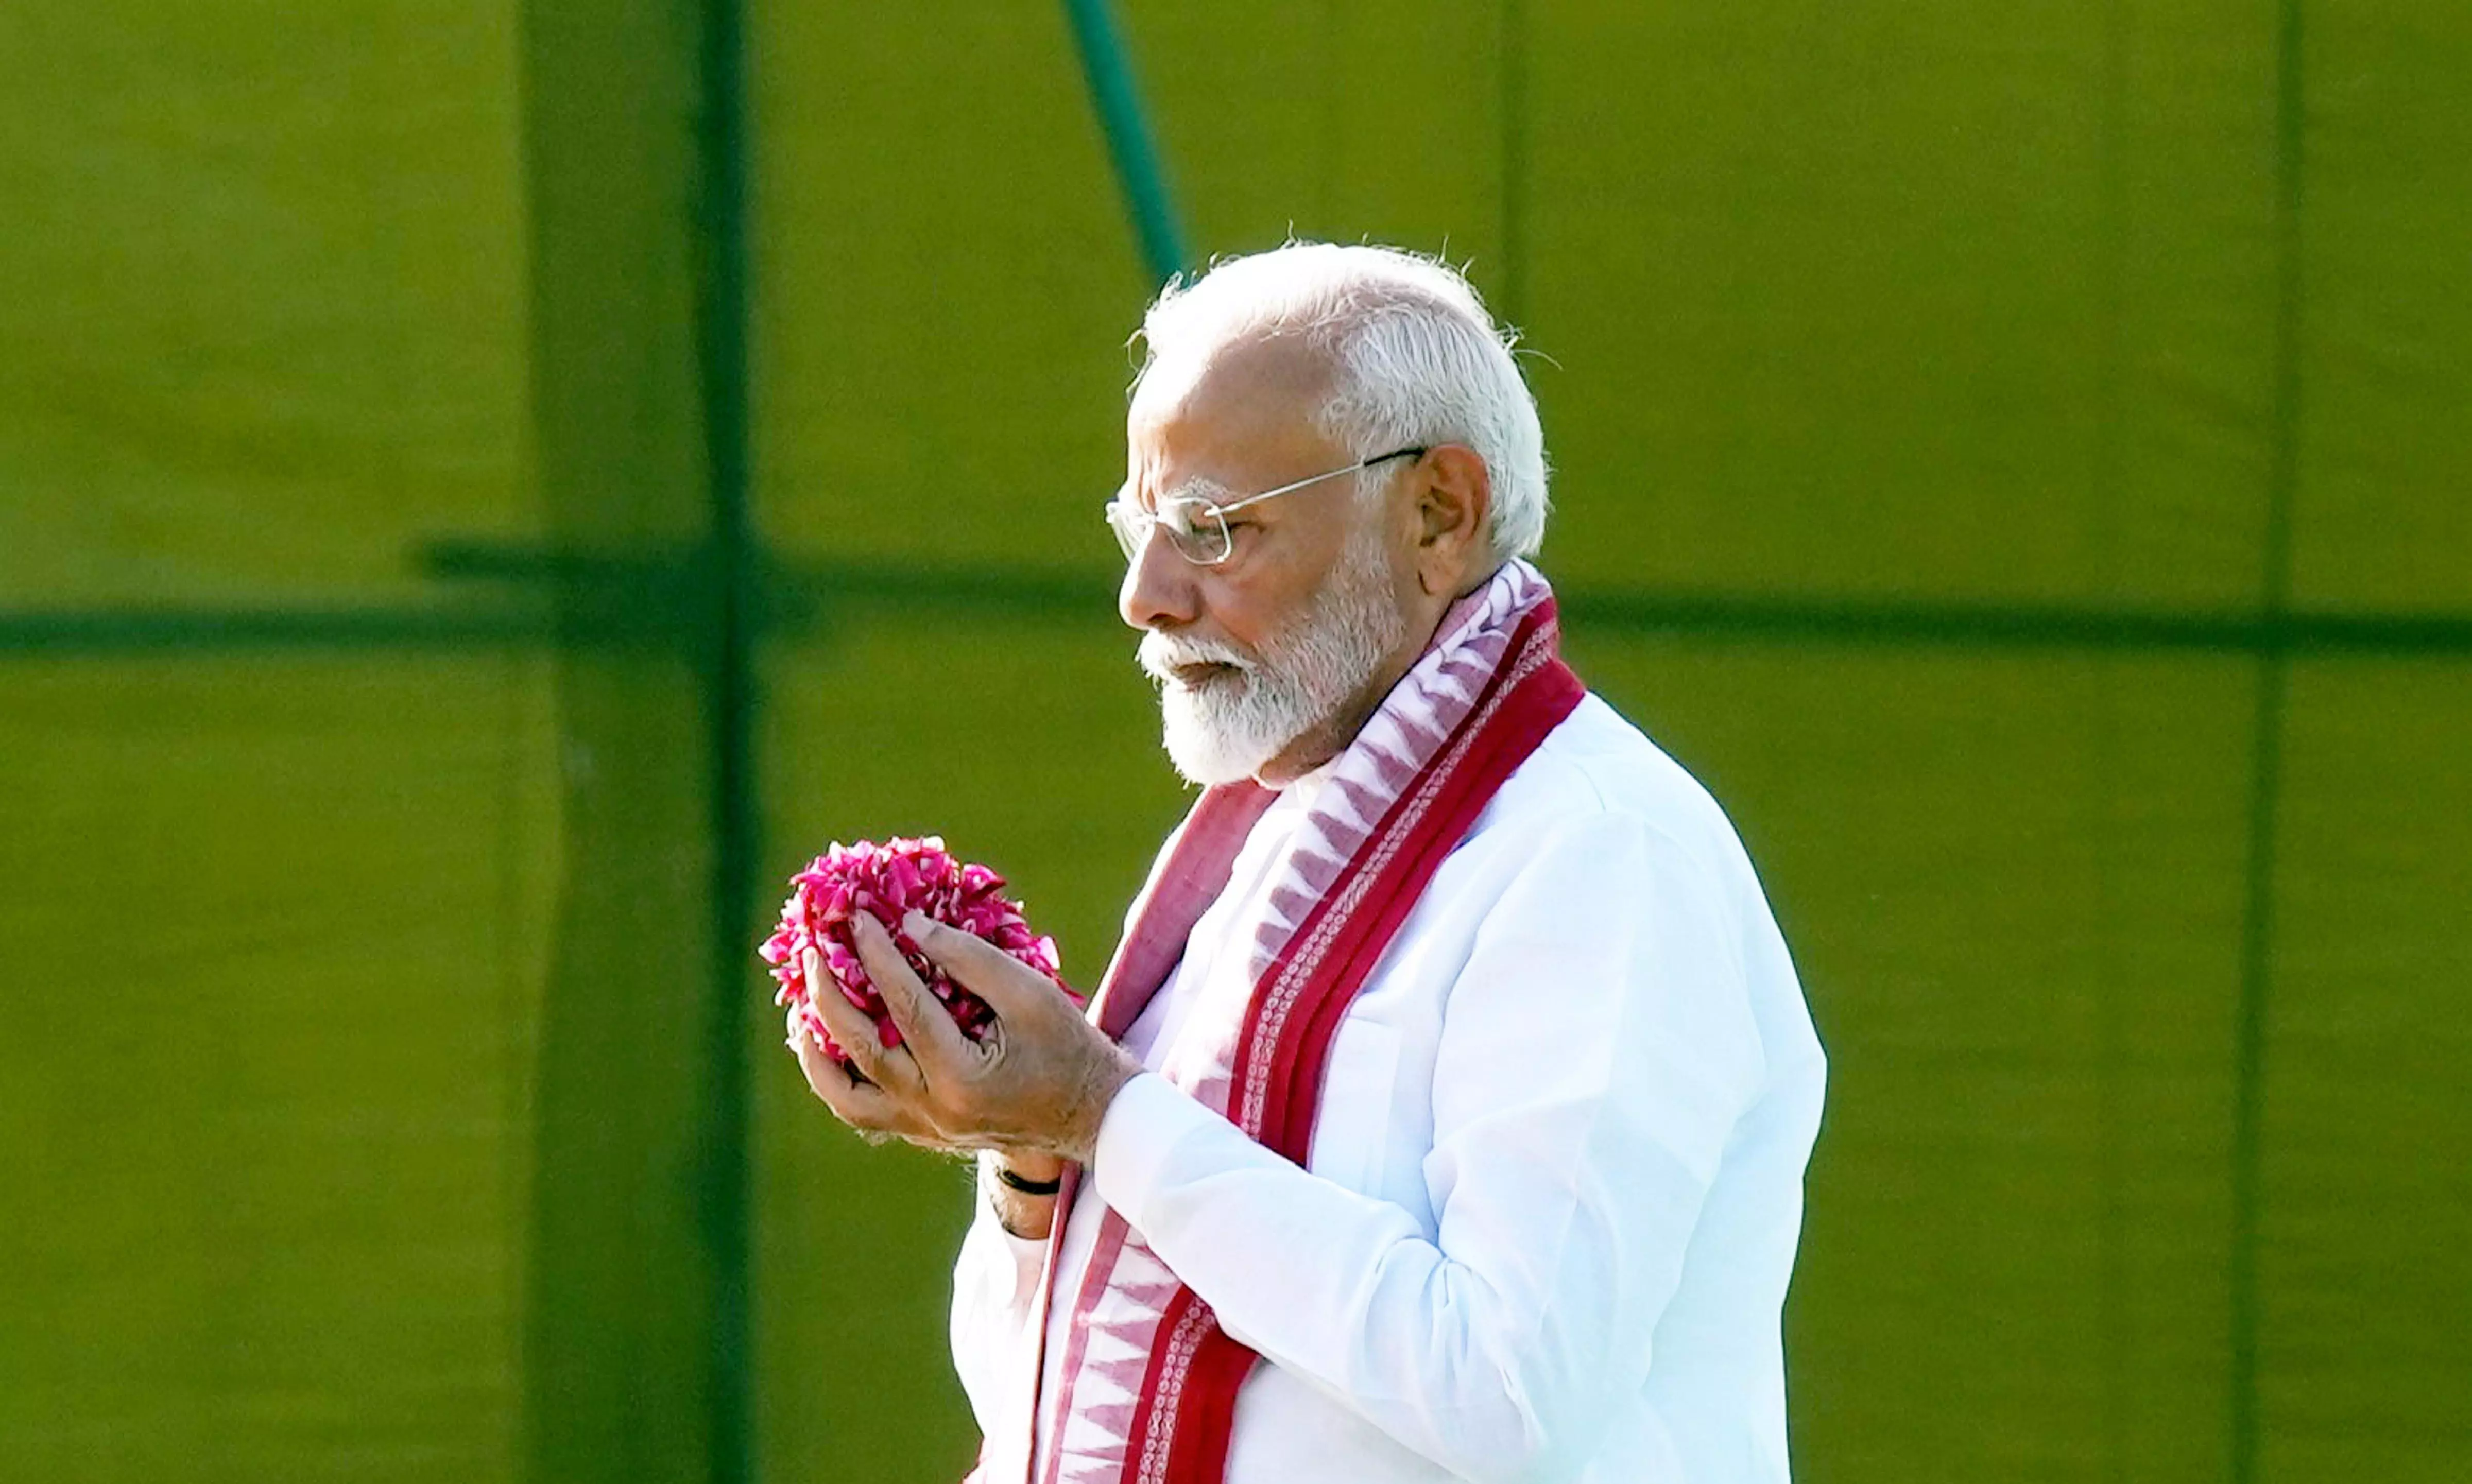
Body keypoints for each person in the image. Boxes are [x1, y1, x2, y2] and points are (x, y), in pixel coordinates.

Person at [791, 242, 1826, 1484]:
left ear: (1439, 512)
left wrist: (1103, 1113)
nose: (1144, 594)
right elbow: (1052, 1394)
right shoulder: (1264, 849)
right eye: (1139, 529)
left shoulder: (1603, 852)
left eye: (1212, 529)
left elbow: (1510, 1392)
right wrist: (1030, 1158)